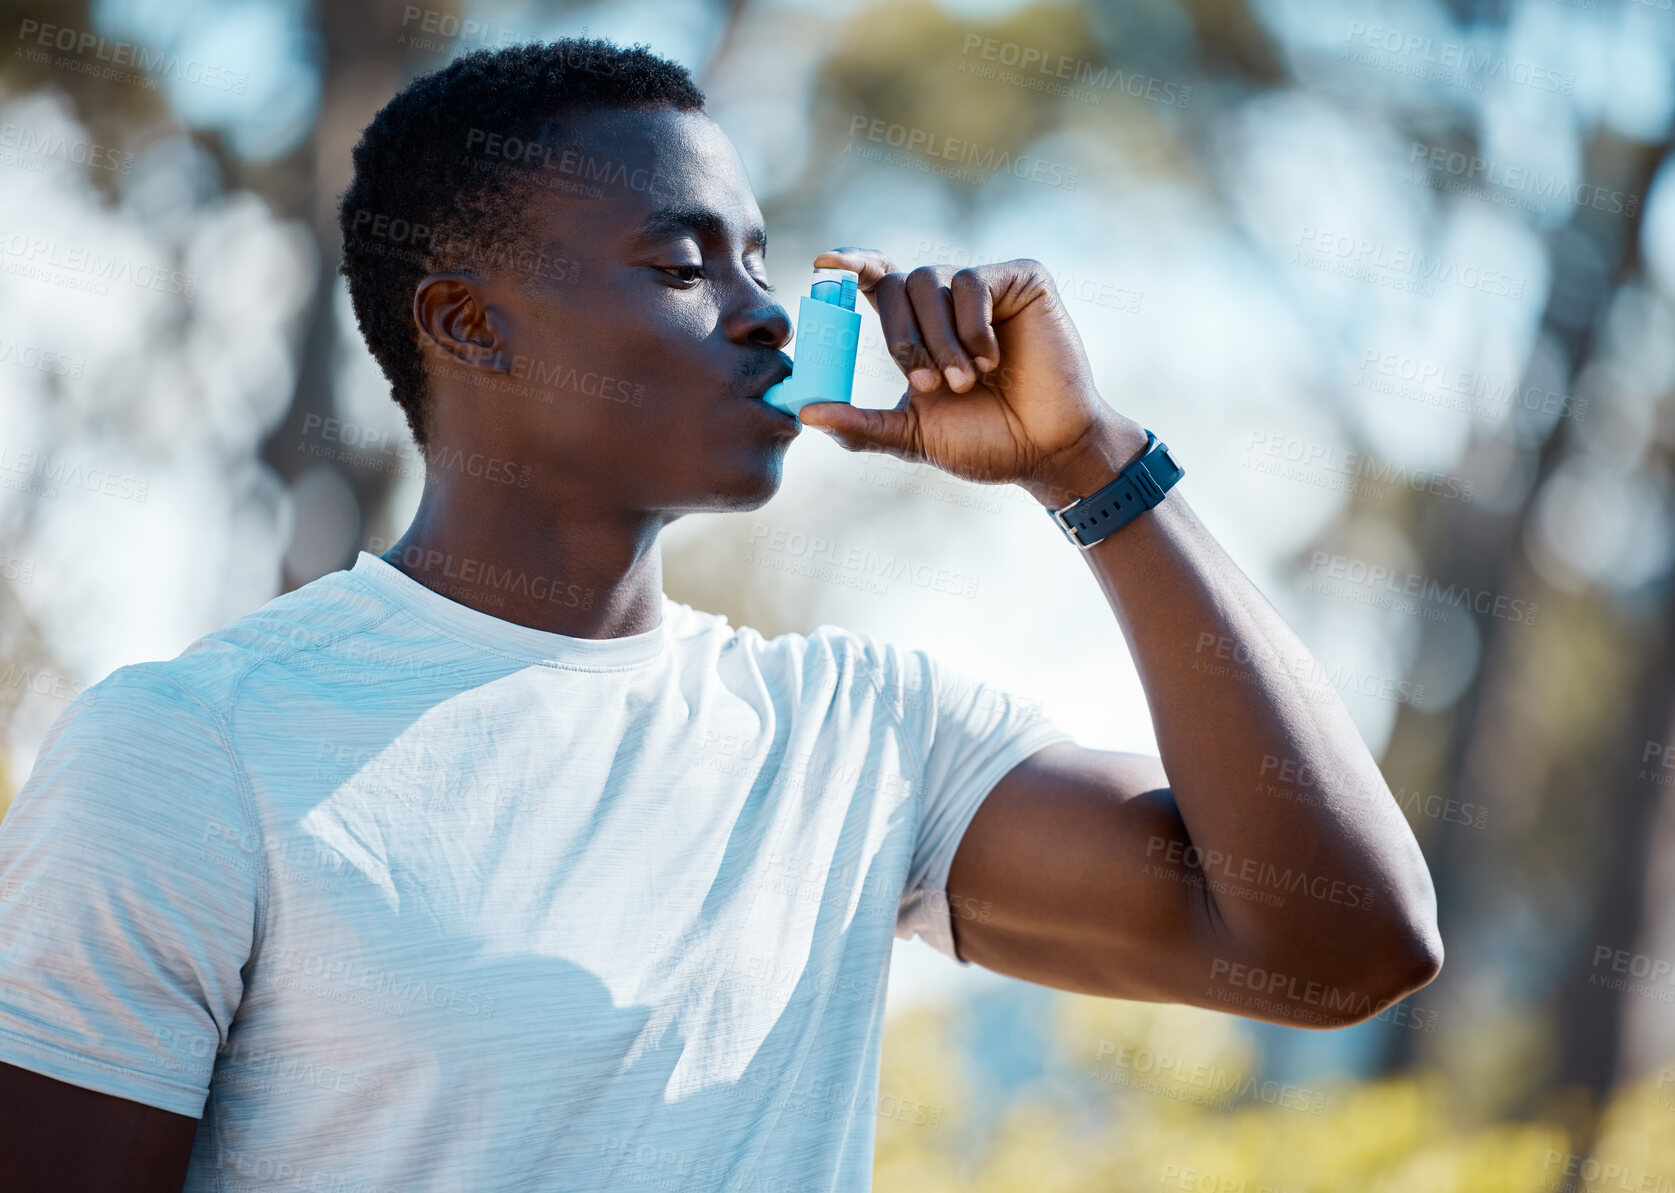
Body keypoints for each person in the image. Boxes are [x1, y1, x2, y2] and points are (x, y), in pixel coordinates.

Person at [0, 36, 1441, 1193]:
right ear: (467, 324)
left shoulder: (865, 735)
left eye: (759, 258)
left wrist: (1094, 465)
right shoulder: (191, 749)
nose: (762, 312)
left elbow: (1346, 943)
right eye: (683, 266)